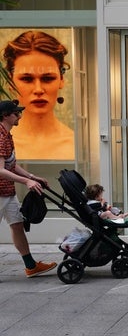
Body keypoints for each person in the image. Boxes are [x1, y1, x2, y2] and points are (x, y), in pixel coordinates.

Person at [0, 100, 56, 277]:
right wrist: (26, 182)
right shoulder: (0, 137)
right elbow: (0, 170)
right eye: (16, 113)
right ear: (5, 116)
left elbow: (11, 165)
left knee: (17, 226)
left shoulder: (7, 135)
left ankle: (31, 266)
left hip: (7, 191)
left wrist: (31, 177)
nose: (19, 116)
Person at [3, 30, 74, 160]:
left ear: (61, 79)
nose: (38, 89)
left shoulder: (75, 143)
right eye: (27, 79)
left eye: (47, 78)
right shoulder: (4, 140)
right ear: (10, 81)